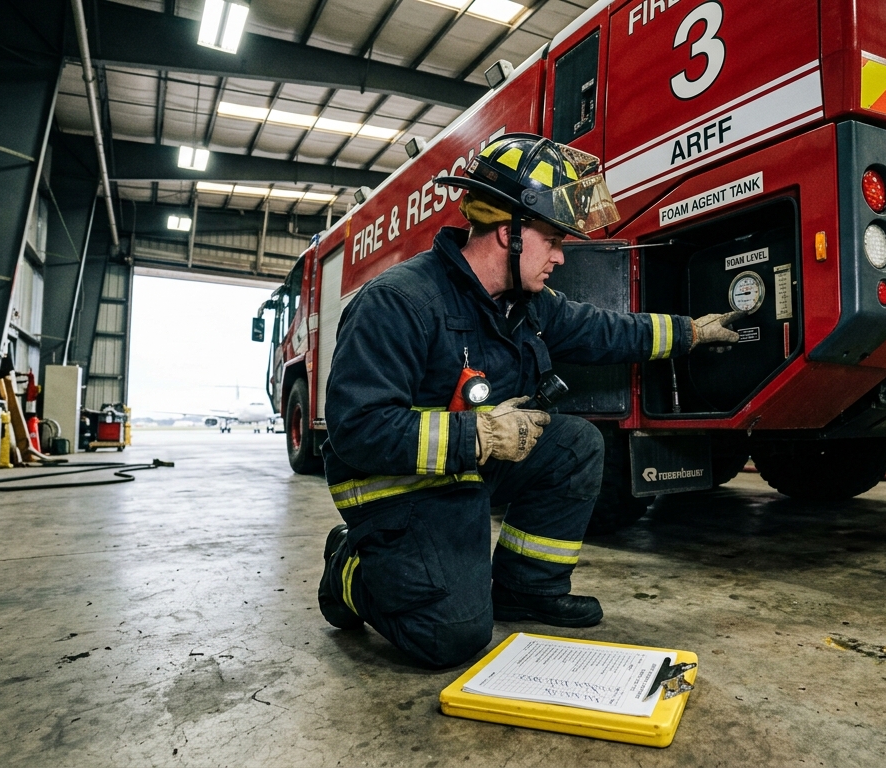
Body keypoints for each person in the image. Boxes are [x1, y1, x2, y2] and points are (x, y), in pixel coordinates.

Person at [316, 133, 743, 668]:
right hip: (396, 485)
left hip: (467, 470)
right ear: (507, 234)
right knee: (450, 637)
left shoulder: (526, 304)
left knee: (576, 445)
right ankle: (348, 568)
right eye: (554, 240)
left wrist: (691, 333)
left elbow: (606, 330)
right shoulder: (400, 301)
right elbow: (358, 430)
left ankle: (525, 588)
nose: (562, 258)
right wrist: (482, 436)